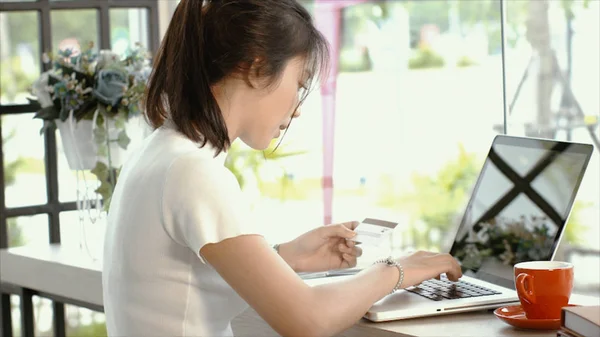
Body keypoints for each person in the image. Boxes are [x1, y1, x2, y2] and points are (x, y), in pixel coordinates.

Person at [101, 1, 463, 336]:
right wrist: (397, 270)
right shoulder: (193, 172)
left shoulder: (159, 152)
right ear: (257, 68)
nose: (297, 108)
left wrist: (288, 256)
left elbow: (183, 281)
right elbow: (307, 318)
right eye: (299, 84)